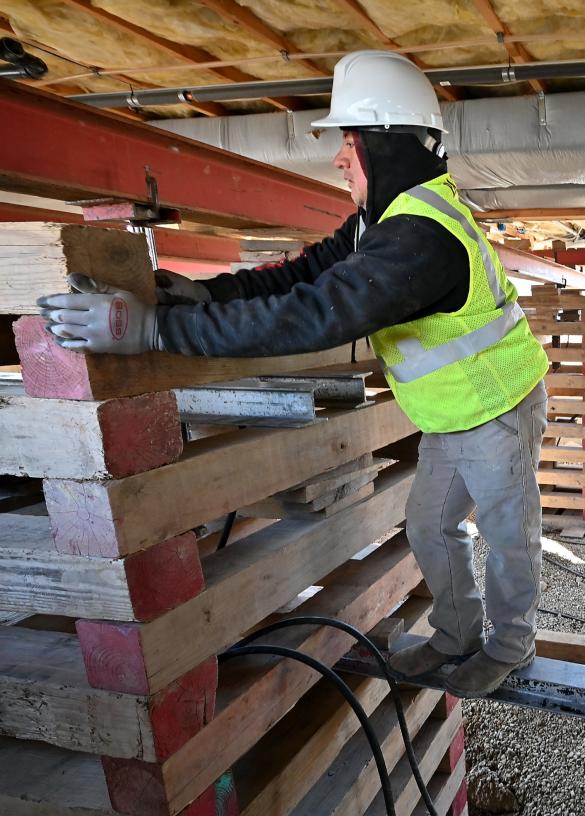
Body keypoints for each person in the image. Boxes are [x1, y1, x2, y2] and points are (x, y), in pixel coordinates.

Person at [37, 50, 551, 698]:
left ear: (385, 147)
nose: (338, 158)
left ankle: (508, 646)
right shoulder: (383, 221)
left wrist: (151, 332)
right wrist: (194, 296)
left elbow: (313, 315)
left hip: (497, 408)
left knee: (509, 537)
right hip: (456, 413)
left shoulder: (422, 238)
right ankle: (455, 637)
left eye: (350, 141)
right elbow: (300, 275)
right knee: (429, 526)